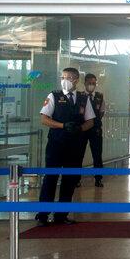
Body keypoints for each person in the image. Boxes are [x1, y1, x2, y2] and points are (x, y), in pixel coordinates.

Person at [37, 67, 95, 225]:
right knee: (51, 178)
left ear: (76, 80)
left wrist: (80, 128)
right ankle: (42, 215)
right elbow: (44, 119)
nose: (64, 80)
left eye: (68, 77)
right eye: (63, 77)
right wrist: (62, 126)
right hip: (56, 144)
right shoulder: (54, 95)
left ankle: (61, 215)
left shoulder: (83, 98)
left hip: (75, 145)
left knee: (69, 180)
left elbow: (90, 121)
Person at [83, 73, 106, 188]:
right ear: (85, 83)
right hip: (82, 130)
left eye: (93, 83)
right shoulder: (80, 96)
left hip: (95, 130)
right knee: (78, 154)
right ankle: (76, 179)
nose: (91, 85)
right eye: (89, 83)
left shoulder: (99, 96)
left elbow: (102, 111)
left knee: (97, 155)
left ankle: (98, 179)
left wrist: (95, 122)